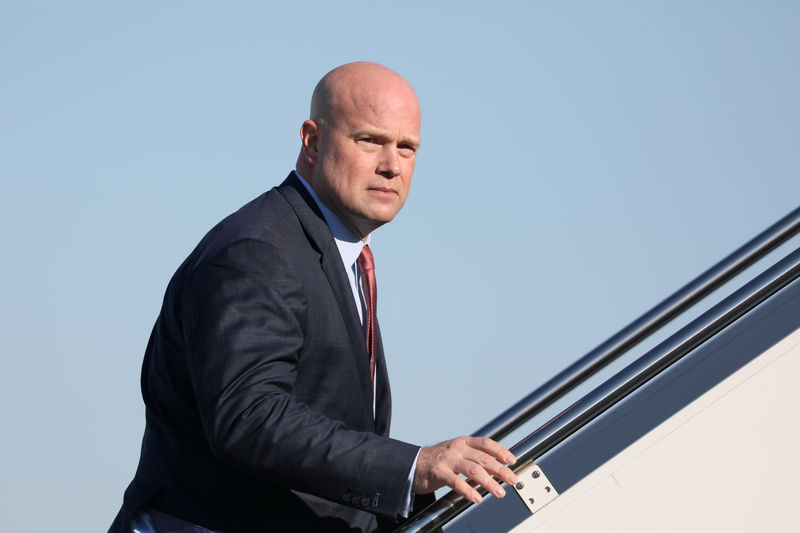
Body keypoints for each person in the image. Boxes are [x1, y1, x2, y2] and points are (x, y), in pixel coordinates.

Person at [110, 61, 517, 533]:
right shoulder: (258, 250)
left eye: (407, 148)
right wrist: (412, 468)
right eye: (370, 140)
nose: (392, 165)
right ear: (312, 141)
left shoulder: (336, 252)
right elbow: (249, 415)